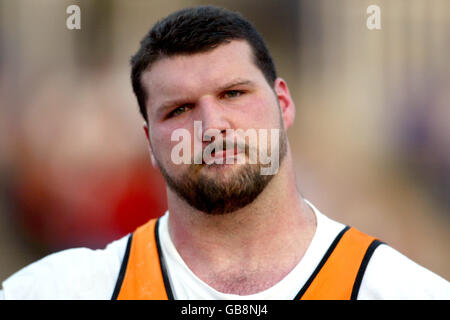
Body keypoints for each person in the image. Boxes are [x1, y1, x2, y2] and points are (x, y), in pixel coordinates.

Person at [1, 5, 448, 300]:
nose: (212, 127)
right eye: (179, 109)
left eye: (234, 94)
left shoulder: (400, 290)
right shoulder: (63, 291)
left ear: (284, 104)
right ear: (149, 143)